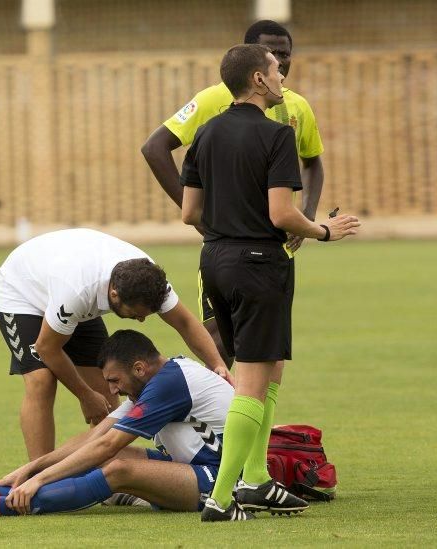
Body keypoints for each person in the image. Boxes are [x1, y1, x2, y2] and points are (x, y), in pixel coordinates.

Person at [179, 44, 360, 522]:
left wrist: (227, 227)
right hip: (260, 264)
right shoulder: (278, 135)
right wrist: (323, 231)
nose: (284, 78)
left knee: (269, 367)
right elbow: (282, 213)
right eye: (278, 70)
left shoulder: (205, 133)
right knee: (253, 383)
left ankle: (257, 478)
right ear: (258, 79)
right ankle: (222, 498)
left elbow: (188, 213)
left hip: (214, 259)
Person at [141, 20, 325, 367]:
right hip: (227, 245)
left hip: (273, 249)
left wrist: (307, 216)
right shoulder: (212, 100)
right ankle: (216, 416)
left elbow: (313, 162)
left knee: (266, 352)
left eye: (287, 54)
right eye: (273, 55)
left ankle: (239, 415)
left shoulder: (296, 107)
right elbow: (155, 148)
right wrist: (200, 214)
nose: (282, 63)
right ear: (253, 60)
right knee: (220, 343)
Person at [0, 329, 235, 517]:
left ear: (139, 368)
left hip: (223, 481)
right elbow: (95, 437)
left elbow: (105, 446)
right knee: (113, 457)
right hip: (193, 467)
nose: (113, 391)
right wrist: (27, 469)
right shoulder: (155, 381)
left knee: (118, 467)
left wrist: (38, 479)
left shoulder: (169, 384)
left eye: (114, 381)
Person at [0, 228, 231, 461]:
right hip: (22, 293)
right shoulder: (76, 293)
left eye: (147, 314)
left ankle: (100, 471)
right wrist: (85, 395)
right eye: (135, 313)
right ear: (115, 295)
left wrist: (218, 365)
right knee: (41, 381)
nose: (141, 320)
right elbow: (47, 348)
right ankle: (37, 479)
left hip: (70, 291)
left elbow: (185, 323)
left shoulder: (151, 281)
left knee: (107, 388)